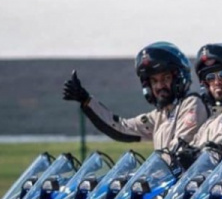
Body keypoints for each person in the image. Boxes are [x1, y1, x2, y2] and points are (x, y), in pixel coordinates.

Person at [62, 42, 208, 150]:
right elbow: (122, 128)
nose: (159, 86)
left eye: (166, 78)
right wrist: (86, 100)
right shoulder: (160, 115)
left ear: (178, 79)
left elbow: (180, 152)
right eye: (154, 81)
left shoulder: (191, 104)